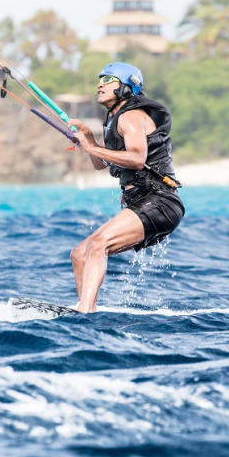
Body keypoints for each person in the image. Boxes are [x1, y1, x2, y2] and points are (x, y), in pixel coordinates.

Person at [68, 62, 184, 313]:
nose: (100, 84)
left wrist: (91, 148)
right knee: (79, 254)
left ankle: (85, 309)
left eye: (108, 79)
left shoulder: (132, 116)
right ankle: (86, 311)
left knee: (98, 244)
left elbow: (136, 158)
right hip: (144, 202)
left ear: (126, 87)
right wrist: (90, 139)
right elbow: (101, 164)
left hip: (160, 201)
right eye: (99, 78)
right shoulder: (115, 121)